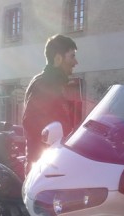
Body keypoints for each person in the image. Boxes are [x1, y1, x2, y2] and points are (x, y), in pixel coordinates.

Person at [22, 34, 78, 166]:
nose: (76, 62)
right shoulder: (45, 84)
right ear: (58, 58)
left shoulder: (54, 83)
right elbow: (32, 125)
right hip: (46, 167)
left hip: (53, 163)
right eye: (72, 56)